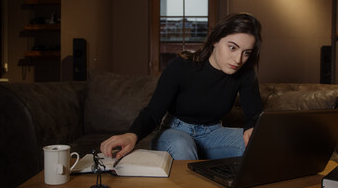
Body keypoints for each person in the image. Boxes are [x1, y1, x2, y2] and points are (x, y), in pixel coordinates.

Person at [100, 13, 264, 160]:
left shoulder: (246, 74)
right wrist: (132, 135)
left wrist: (251, 128)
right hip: (175, 132)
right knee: (182, 145)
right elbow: (152, 113)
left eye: (246, 52)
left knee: (258, 144)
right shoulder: (182, 66)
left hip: (214, 134)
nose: (238, 59)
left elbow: (253, 115)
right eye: (232, 47)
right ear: (215, 40)